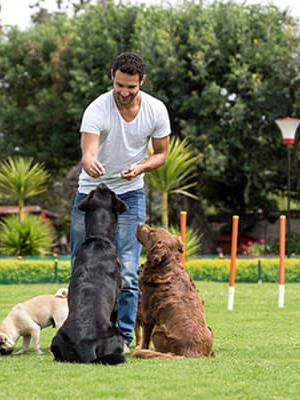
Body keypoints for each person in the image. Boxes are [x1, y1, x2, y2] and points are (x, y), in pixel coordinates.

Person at [69, 52, 170, 352]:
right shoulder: (97, 109)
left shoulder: (156, 110)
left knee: (126, 269)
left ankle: (124, 338)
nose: (124, 93)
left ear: (142, 82)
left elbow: (161, 153)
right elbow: (88, 150)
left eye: (131, 87)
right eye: (119, 85)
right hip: (91, 195)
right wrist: (89, 161)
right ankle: (77, 329)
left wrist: (141, 168)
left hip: (130, 194)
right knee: (80, 265)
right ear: (112, 77)